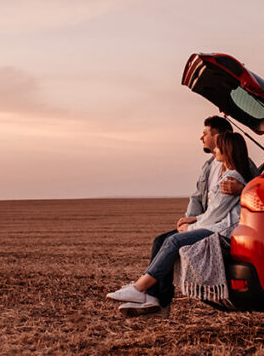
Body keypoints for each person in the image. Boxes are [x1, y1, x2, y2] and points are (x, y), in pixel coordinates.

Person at [106, 131, 254, 316]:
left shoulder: (232, 178)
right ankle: (147, 295)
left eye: (218, 146)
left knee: (174, 241)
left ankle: (139, 289)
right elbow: (213, 212)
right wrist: (193, 220)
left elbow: (215, 215)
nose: (215, 149)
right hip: (217, 225)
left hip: (223, 231)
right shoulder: (228, 174)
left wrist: (189, 228)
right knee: (167, 240)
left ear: (228, 149)